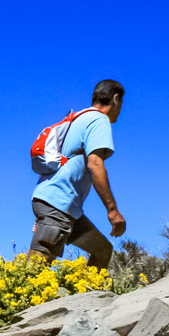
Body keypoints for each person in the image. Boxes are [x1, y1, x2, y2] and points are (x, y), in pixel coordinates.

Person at [28, 80, 126, 270]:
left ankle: (90, 296)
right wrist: (112, 210)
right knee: (35, 268)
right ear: (115, 99)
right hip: (58, 205)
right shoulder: (99, 119)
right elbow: (95, 163)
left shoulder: (78, 119)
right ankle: (16, 298)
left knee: (102, 250)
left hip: (62, 207)